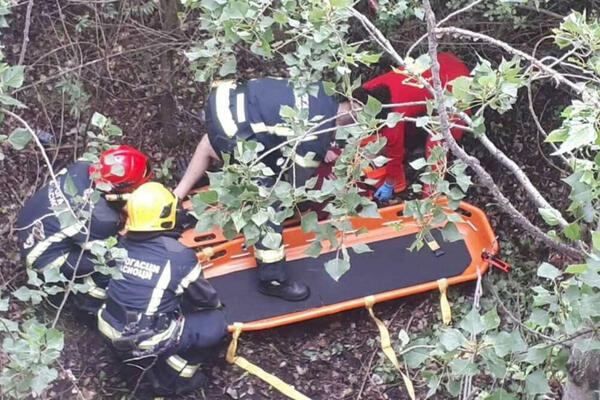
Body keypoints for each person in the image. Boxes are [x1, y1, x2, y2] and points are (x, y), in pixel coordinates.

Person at [174, 78, 353, 302]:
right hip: (234, 125)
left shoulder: (322, 89)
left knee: (216, 141)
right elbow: (296, 188)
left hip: (226, 98)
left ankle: (175, 199)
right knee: (268, 200)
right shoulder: (315, 136)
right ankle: (273, 278)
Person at [97, 182, 227, 396]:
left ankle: (134, 363)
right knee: (214, 322)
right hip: (142, 338)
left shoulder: (121, 243)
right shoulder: (178, 255)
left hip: (109, 325)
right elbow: (207, 300)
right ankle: (176, 378)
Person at [16, 145, 152, 314]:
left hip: (28, 222)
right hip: (43, 257)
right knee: (112, 261)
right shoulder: (102, 219)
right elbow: (101, 249)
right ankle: (89, 306)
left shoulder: (83, 166)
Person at [356, 52, 470, 200]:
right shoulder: (365, 92)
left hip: (457, 86)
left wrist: (390, 184)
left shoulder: (392, 120)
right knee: (412, 125)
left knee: (438, 145)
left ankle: (431, 199)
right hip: (443, 60)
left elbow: (394, 156)